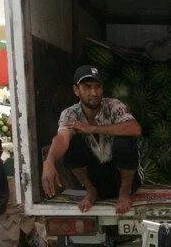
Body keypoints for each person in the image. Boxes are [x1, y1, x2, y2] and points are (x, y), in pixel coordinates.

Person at [41, 65, 143, 214]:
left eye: (98, 87)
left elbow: (135, 129)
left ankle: (124, 193)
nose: (94, 93)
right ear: (76, 90)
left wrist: (93, 129)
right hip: (95, 177)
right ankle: (91, 192)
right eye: (87, 87)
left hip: (123, 176)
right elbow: (62, 139)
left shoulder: (114, 106)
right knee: (72, 144)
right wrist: (49, 161)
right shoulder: (70, 114)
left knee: (125, 140)